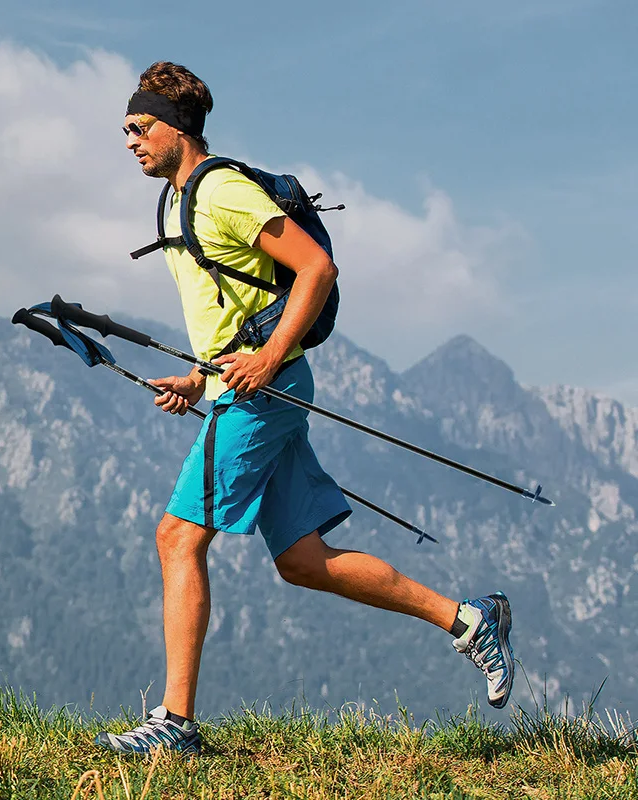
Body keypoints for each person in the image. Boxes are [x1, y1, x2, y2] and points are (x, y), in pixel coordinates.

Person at [95, 62, 514, 756]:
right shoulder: (173, 203)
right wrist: (201, 380)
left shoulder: (220, 191)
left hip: (268, 389)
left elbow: (317, 269)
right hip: (246, 386)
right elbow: (229, 309)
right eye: (127, 130)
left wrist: (266, 358)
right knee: (302, 560)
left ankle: (175, 724)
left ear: (178, 127)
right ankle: (470, 621)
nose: (130, 140)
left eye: (139, 127)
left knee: (177, 536)